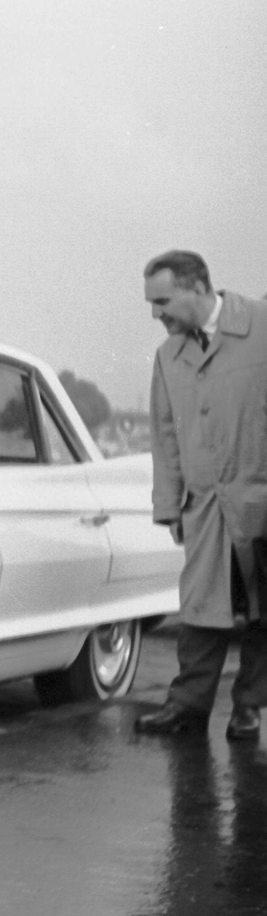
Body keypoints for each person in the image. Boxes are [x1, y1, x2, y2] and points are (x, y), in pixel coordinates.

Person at [136, 250, 267, 738]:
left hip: (259, 499)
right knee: (199, 608)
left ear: (197, 287)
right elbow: (164, 435)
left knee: (261, 610)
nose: (156, 314)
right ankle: (187, 705)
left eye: (162, 301)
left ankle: (250, 707)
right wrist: (169, 505)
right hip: (205, 507)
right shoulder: (168, 357)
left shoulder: (260, 326)